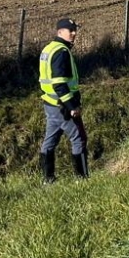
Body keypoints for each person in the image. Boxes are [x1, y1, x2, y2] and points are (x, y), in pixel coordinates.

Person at [38, 17, 88, 182]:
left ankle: (48, 180)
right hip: (62, 106)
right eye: (70, 30)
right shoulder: (61, 51)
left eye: (75, 30)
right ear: (60, 32)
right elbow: (59, 83)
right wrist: (72, 105)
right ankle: (82, 180)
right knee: (79, 138)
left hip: (50, 103)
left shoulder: (48, 49)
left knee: (50, 140)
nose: (74, 33)